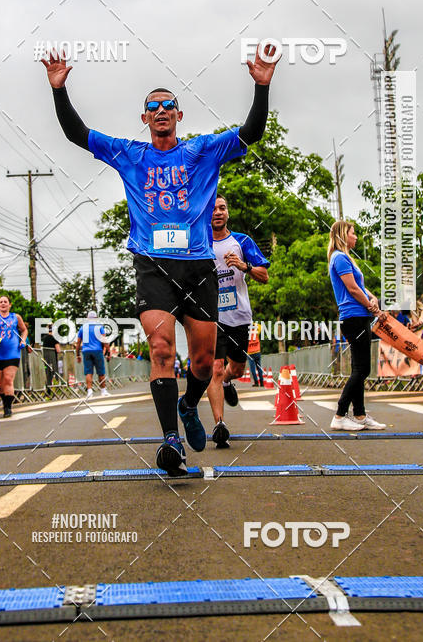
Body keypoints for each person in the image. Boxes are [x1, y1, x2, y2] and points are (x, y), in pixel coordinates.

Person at [43, 43, 277, 475]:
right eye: (154, 107)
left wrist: (262, 87)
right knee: (162, 348)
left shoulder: (204, 150)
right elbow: (78, 134)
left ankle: (190, 406)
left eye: (169, 105)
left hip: (198, 265)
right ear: (145, 118)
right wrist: (59, 90)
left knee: (205, 363)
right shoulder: (130, 154)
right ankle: (170, 440)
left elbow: (252, 131)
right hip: (152, 264)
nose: (162, 110)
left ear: (179, 115)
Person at [207, 195, 270, 447]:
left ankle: (227, 382)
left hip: (239, 316)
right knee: (216, 368)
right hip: (212, 317)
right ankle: (219, 425)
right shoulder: (200, 243)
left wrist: (243, 266)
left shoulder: (242, 241)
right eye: (213, 209)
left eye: (222, 208)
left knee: (237, 369)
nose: (218, 212)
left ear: (228, 213)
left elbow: (264, 276)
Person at [328, 220, 386, 432]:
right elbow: (352, 289)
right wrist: (373, 308)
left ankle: (360, 414)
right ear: (344, 235)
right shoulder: (339, 257)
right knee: (363, 369)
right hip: (353, 317)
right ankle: (340, 414)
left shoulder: (346, 258)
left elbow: (360, 286)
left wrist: (372, 298)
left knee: (358, 368)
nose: (356, 237)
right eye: (353, 233)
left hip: (359, 316)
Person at [76, 310, 110, 398]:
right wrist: (108, 352)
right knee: (101, 372)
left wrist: (77, 355)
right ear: (96, 318)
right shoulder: (99, 327)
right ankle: (103, 390)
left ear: (87, 318)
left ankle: (90, 391)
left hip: (86, 351)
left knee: (88, 372)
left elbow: (78, 342)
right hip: (97, 350)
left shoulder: (83, 327)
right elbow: (104, 340)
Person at [41, 324, 61, 394]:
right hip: (53, 360)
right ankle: (58, 387)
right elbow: (58, 350)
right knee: (55, 373)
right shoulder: (54, 338)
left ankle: (48, 389)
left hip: (46, 360)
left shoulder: (44, 338)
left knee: (48, 374)